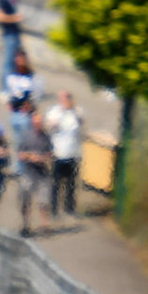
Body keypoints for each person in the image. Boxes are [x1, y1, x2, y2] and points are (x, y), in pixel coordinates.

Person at [43, 89, 84, 220]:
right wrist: (59, 115)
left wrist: (72, 110)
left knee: (71, 184)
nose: (64, 101)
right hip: (58, 153)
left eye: (66, 98)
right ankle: (54, 210)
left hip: (73, 153)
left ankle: (69, 208)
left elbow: (81, 122)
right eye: (62, 99)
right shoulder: (54, 112)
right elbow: (48, 126)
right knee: (56, 184)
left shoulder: (76, 111)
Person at [15, 109, 54, 236]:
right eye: (36, 122)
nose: (38, 124)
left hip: (42, 173)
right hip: (28, 172)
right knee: (25, 200)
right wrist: (30, 156)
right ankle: (25, 225)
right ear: (32, 123)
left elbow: (50, 154)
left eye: (40, 122)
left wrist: (42, 158)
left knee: (44, 201)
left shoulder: (46, 137)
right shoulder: (26, 136)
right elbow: (19, 154)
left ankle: (45, 226)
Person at [3, 51, 38, 156]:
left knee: (27, 144)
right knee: (16, 144)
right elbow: (8, 92)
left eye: (21, 58)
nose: (20, 61)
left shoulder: (30, 76)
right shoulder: (12, 76)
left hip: (25, 114)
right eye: (18, 59)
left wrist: (31, 105)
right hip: (15, 113)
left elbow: (35, 94)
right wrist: (7, 102)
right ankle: (18, 165)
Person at [0, 0, 24, 80]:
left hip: (16, 34)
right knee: (7, 64)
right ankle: (4, 87)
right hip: (9, 35)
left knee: (14, 64)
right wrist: (14, 18)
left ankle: (12, 86)